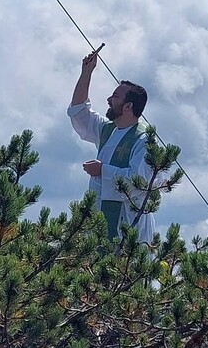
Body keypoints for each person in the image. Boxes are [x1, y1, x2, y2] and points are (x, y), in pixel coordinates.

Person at [67, 49, 156, 242]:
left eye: (115, 97)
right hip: (99, 222)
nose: (108, 100)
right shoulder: (107, 130)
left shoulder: (144, 139)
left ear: (128, 106)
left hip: (128, 227)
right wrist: (86, 73)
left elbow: (139, 182)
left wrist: (102, 170)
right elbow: (79, 113)